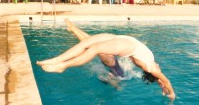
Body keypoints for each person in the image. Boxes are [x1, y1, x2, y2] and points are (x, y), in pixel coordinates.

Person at [37, 20, 176, 100]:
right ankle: (54, 60)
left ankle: (63, 66)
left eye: (159, 71)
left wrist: (171, 93)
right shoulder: (151, 66)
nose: (160, 67)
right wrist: (162, 86)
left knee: (94, 49)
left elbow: (165, 80)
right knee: (86, 43)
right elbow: (160, 80)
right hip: (120, 38)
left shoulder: (150, 67)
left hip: (127, 45)